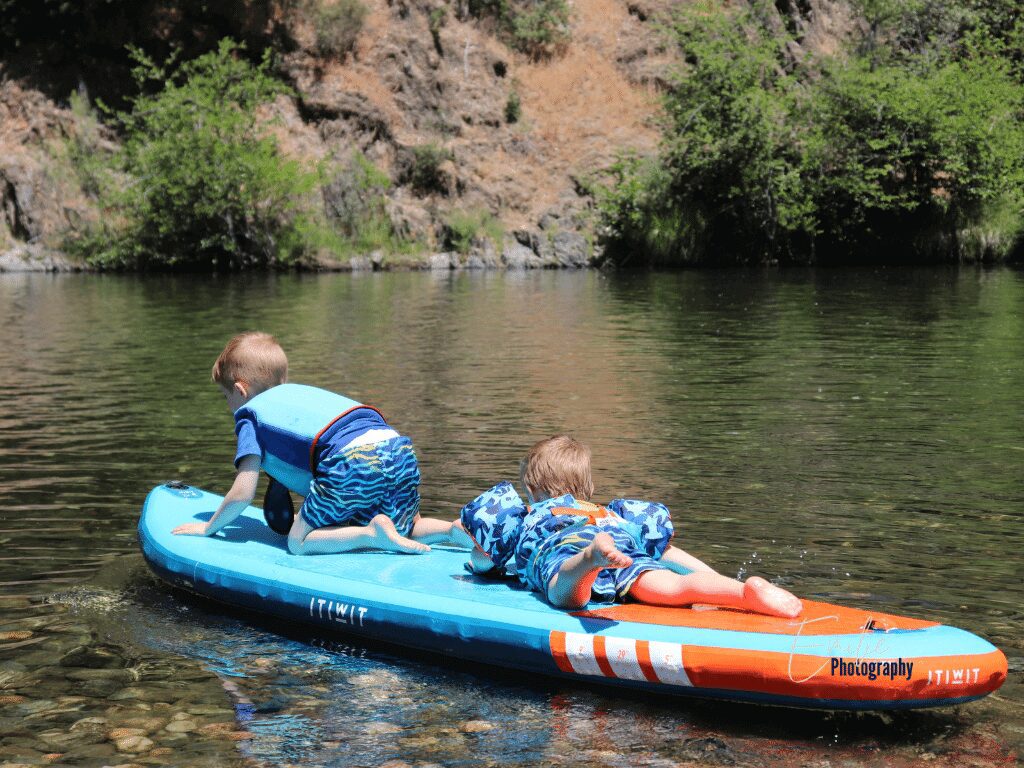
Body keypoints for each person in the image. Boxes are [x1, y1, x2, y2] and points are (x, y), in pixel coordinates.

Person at [172, 331, 469, 554]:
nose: (229, 405)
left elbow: (242, 493)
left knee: (298, 542)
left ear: (240, 390)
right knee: (408, 524)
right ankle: (452, 531)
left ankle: (370, 534)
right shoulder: (300, 398)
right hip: (396, 446)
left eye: (226, 397)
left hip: (352, 460)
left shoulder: (251, 416)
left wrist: (209, 527)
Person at [461, 435, 802, 616]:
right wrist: (719, 576)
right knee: (671, 587)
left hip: (565, 543)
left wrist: (479, 559)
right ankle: (745, 593)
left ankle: (589, 562)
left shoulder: (531, 517)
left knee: (564, 594)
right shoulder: (607, 512)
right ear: (586, 487)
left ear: (532, 489)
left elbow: (484, 560)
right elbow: (671, 553)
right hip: (620, 544)